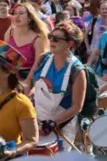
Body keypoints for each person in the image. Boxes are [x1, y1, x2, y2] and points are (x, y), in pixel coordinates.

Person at [31, 21, 86, 151]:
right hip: (37, 120)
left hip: (62, 127)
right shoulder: (43, 59)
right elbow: (30, 83)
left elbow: (77, 107)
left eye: (56, 39)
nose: (51, 41)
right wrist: (30, 100)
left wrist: (53, 123)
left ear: (70, 44)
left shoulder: (77, 70)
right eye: (50, 36)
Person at [6, 3, 49, 81]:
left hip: (27, 79)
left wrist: (28, 81)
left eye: (21, 13)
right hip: (8, 78)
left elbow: (38, 65)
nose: (17, 16)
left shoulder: (37, 39)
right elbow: (3, 57)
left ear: (29, 18)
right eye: (15, 13)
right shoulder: (9, 33)